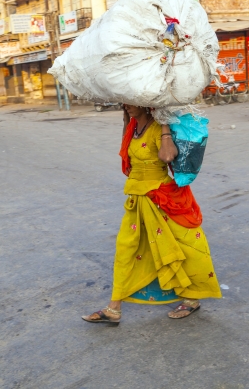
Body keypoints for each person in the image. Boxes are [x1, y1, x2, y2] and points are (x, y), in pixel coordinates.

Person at [82, 105, 222, 325]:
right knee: (126, 248)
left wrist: (164, 120)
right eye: (124, 101)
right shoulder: (133, 128)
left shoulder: (157, 127)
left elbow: (167, 156)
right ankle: (114, 308)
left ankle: (192, 298)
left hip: (162, 199)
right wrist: (125, 118)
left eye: (131, 101)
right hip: (139, 198)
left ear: (146, 104)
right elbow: (125, 152)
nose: (127, 105)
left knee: (186, 246)